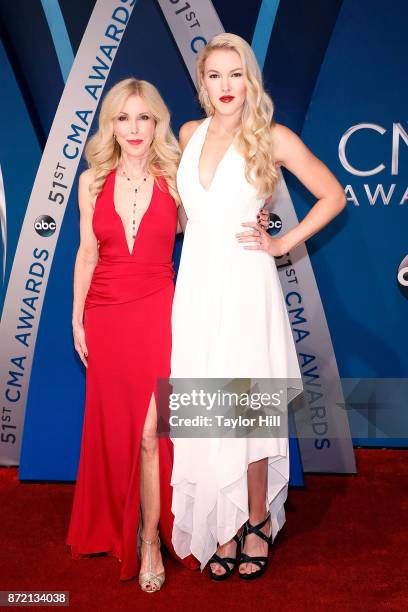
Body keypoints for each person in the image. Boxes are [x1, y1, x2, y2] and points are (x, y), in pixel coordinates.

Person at [66, 76, 269, 592]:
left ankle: (153, 538)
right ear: (110, 125)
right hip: (107, 314)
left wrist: (262, 220)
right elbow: (87, 253)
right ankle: (123, 525)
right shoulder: (91, 181)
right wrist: (76, 316)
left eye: (144, 117)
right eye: (122, 118)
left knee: (153, 433)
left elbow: (218, 214)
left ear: (157, 123)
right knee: (116, 429)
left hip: (162, 312)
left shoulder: (176, 176)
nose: (134, 129)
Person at [170, 33, 346, 581]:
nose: (226, 86)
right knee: (206, 403)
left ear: (250, 80)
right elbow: (185, 218)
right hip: (196, 286)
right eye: (215, 76)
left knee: (245, 410)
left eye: (235, 74)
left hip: (246, 284)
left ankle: (257, 519)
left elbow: (333, 194)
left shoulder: (272, 137)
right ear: (202, 83)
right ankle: (222, 528)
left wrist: (279, 242)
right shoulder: (188, 133)